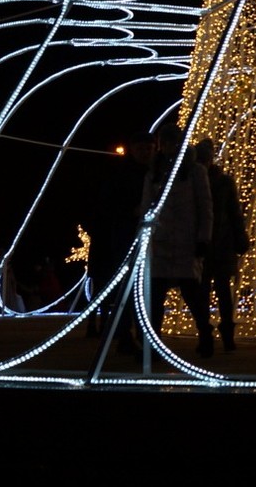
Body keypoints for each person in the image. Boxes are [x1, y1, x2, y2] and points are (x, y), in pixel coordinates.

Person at [139, 125, 215, 358]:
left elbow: (205, 207)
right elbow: (146, 203)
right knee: (155, 297)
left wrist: (203, 237)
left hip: (186, 241)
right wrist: (144, 233)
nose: (169, 147)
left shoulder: (194, 171)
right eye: (166, 142)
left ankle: (205, 334)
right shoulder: (156, 171)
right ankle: (153, 343)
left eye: (173, 142)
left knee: (192, 293)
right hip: (161, 242)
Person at [83, 130, 158, 355]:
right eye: (141, 148)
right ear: (133, 149)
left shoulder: (157, 172)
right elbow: (107, 206)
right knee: (128, 287)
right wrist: (131, 212)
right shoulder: (121, 174)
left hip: (152, 238)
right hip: (125, 236)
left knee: (147, 289)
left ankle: (142, 337)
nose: (145, 152)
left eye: (149, 148)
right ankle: (125, 335)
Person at [194, 139, 249, 352]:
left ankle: (226, 332)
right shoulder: (194, 180)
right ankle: (205, 332)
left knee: (223, 290)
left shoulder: (224, 182)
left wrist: (240, 237)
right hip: (203, 245)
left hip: (222, 244)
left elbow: (235, 212)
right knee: (202, 291)